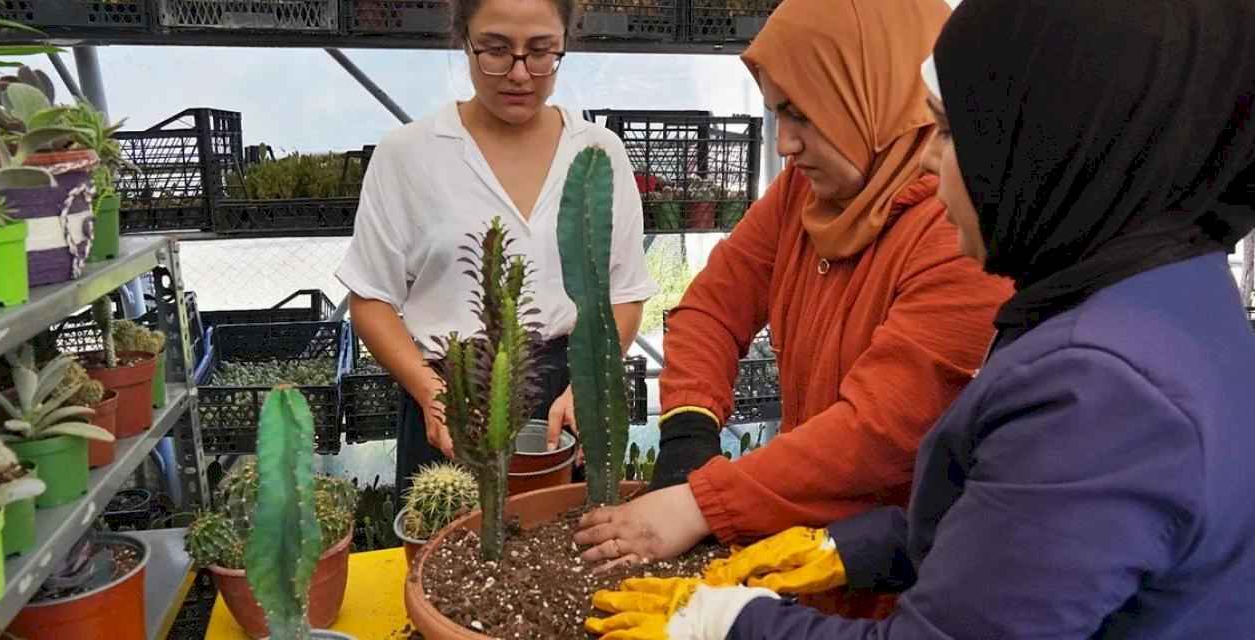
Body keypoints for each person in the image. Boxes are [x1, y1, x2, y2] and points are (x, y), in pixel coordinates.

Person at [584, 0, 1255, 637]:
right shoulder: (1159, 287)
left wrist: (726, 619)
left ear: (1041, 144)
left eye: (953, 131)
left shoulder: (1102, 389)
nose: (932, 157)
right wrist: (852, 544)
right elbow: (1008, 521)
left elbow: (889, 444)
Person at [574, 0, 1011, 618]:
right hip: (804, 557)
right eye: (778, 112)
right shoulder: (805, 194)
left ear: (872, 90)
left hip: (906, 590)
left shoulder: (957, 232)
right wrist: (689, 433)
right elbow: (712, 308)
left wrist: (702, 503)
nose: (785, 143)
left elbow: (878, 435)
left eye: (801, 113)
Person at [336, 0, 656, 493]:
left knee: (571, 555)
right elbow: (371, 299)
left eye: (542, 52)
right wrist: (433, 393)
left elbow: (626, 291)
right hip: (453, 388)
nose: (520, 74)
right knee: (452, 546)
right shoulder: (408, 153)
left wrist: (590, 388)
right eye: (496, 50)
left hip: (567, 392)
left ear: (565, 44)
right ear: (463, 40)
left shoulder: (597, 153)